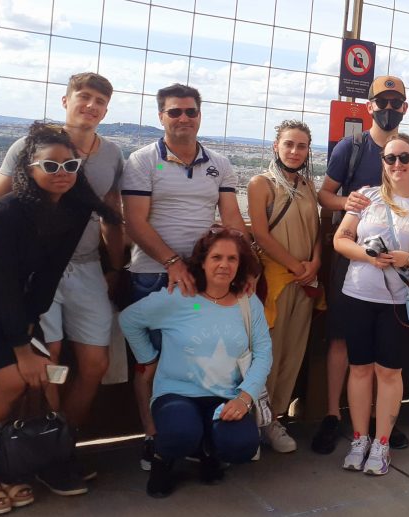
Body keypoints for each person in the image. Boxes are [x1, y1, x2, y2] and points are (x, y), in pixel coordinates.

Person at [0, 73, 125, 489]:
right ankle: (28, 455)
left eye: (100, 100)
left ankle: (56, 448)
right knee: (42, 364)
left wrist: (115, 266)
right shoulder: (23, 171)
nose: (91, 106)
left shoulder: (101, 170)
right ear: (66, 100)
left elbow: (109, 217)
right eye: (84, 97)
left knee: (85, 365)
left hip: (71, 273)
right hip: (2, 285)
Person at [121, 83, 247, 470]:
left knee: (196, 361)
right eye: (174, 112)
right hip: (154, 275)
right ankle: (153, 437)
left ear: (199, 115)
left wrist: (247, 266)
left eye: (190, 111)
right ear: (161, 116)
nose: (183, 118)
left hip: (204, 279)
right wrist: (172, 261)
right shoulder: (143, 161)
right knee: (152, 364)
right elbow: (135, 222)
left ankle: (187, 436)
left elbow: (231, 220)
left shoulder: (218, 163)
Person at [120, 225, 270, 498]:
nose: (224, 265)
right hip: (178, 393)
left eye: (232, 259)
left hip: (226, 396)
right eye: (216, 258)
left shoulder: (249, 304)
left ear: (240, 264)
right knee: (179, 433)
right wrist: (148, 358)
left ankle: (208, 453)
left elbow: (263, 353)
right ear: (202, 261)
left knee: (242, 445)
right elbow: (128, 320)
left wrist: (244, 398)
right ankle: (163, 458)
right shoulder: (179, 298)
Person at [332, 134, 409, 475]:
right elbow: (340, 240)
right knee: (360, 368)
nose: (397, 164)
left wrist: (405, 258)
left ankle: (381, 443)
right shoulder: (367, 197)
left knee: (389, 372)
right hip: (358, 294)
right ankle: (359, 438)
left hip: (398, 300)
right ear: (383, 163)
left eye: (404, 157)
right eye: (390, 158)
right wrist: (367, 254)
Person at [314, 75, 409, 454]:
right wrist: (347, 204)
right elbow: (325, 194)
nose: (388, 109)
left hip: (397, 264)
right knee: (342, 338)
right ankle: (332, 415)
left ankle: (379, 420)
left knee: (387, 348)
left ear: (404, 107)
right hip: (353, 255)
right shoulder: (350, 147)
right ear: (369, 106)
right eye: (381, 102)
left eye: (395, 103)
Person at [247, 120, 323, 453]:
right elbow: (261, 235)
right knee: (268, 354)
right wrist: (296, 266)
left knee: (293, 353)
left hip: (305, 282)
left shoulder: (308, 185)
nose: (294, 151)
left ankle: (274, 419)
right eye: (289, 144)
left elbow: (318, 231)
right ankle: (253, 421)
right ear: (275, 145)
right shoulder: (261, 183)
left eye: (301, 146)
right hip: (276, 281)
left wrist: (315, 264)